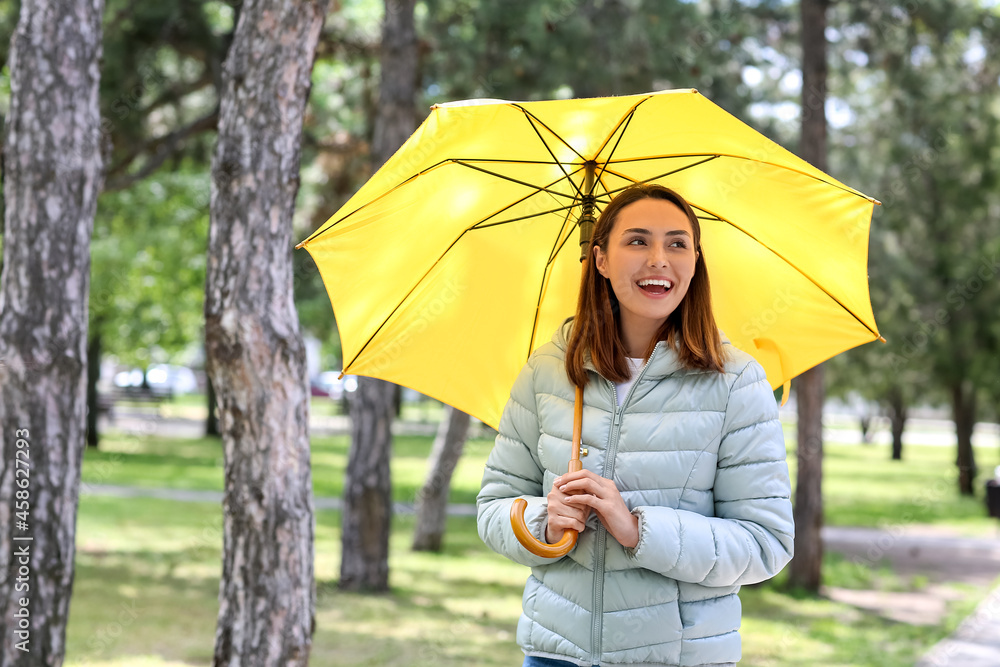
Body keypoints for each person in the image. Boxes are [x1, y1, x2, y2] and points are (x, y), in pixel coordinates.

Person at [477, 183, 795, 667]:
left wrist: (637, 528)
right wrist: (544, 519)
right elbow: (494, 506)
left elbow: (765, 542)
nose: (659, 259)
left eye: (677, 243)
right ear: (600, 259)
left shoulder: (736, 382)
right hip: (556, 654)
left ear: (695, 260)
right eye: (638, 241)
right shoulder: (549, 369)